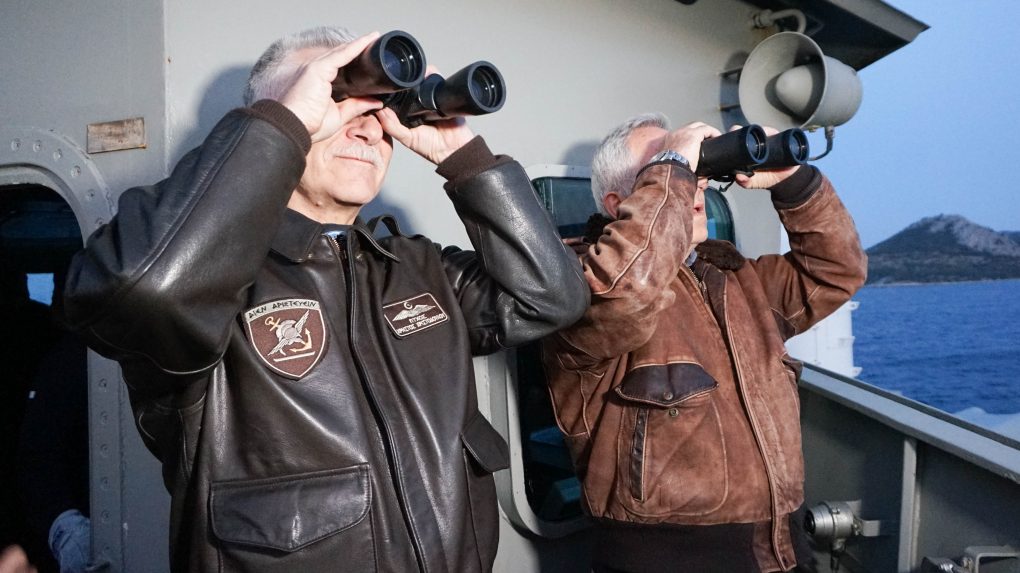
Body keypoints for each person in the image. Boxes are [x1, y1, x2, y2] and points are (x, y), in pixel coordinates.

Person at [61, 26, 588, 573]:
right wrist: (281, 126)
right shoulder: (212, 287)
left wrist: (464, 159)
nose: (367, 127)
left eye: (381, 109)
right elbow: (142, 288)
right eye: (338, 98)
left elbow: (551, 297)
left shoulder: (418, 267)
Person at [541, 113, 867, 573]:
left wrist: (792, 181)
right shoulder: (577, 286)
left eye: (695, 171)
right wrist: (675, 162)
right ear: (618, 204)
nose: (693, 185)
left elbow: (837, 270)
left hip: (782, 550)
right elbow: (626, 291)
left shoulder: (742, 283)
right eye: (666, 167)